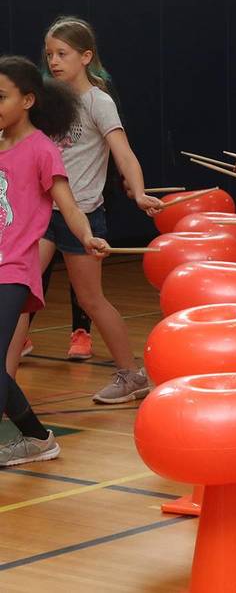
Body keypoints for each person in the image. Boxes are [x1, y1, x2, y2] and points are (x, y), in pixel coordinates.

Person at [23, 17, 162, 404]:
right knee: (19, 291)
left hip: (82, 215)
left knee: (91, 299)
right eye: (49, 54)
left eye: (62, 54)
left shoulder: (98, 101)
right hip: (43, 214)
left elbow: (123, 153)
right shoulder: (45, 102)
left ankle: (130, 374)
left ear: (86, 57)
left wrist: (138, 192)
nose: (53, 61)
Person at [0, 55, 110, 466]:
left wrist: (86, 236)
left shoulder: (42, 150)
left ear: (28, 100)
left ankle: (36, 438)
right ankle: (37, 438)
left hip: (12, 269)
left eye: (1, 97)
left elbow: (69, 204)